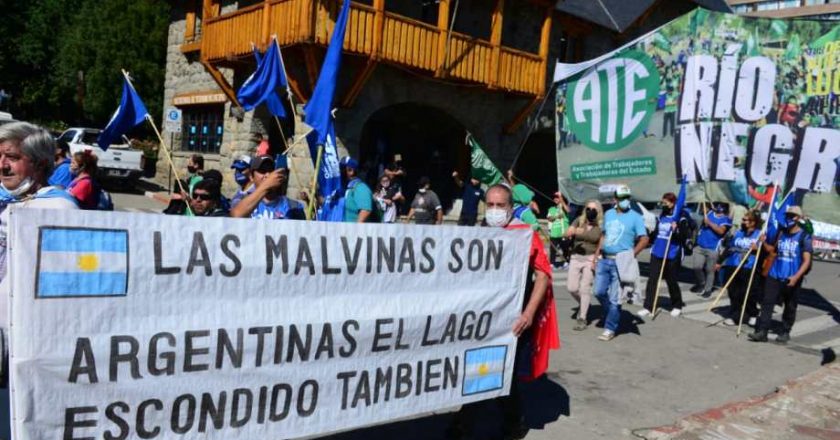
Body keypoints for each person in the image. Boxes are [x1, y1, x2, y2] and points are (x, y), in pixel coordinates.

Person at [447, 184, 558, 440]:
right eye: (491, 205)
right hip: (482, 319)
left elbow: (543, 276)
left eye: (501, 206)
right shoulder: (480, 233)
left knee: (500, 373)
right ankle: (481, 421)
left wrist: (528, 314)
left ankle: (498, 422)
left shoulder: (524, 234)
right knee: (482, 368)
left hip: (514, 319)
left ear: (511, 207)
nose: (495, 210)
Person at [0, 122, 79, 284]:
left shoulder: (59, 208)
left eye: (12, 157)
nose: (2, 165)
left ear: (40, 164)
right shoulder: (3, 197)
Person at [593, 185, 649, 341]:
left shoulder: (636, 217)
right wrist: (597, 255)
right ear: (615, 199)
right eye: (622, 198)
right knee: (598, 291)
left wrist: (632, 254)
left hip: (621, 262)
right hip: (605, 259)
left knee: (615, 298)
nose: (625, 201)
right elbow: (603, 236)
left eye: (627, 198)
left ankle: (610, 327)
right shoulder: (609, 214)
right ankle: (608, 311)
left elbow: (644, 239)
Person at [749, 206, 812, 344]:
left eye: (793, 216)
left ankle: (785, 330)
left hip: (792, 277)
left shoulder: (804, 236)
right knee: (767, 302)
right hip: (775, 274)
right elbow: (773, 250)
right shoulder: (781, 233)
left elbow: (807, 261)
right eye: (788, 215)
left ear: (799, 218)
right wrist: (763, 241)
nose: (790, 218)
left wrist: (796, 277)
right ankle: (762, 331)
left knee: (790, 305)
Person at [638, 190, 687, 318]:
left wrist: (676, 230)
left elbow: (683, 237)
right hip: (657, 251)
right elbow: (656, 232)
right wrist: (648, 238)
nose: (663, 205)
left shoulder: (681, 218)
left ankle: (677, 305)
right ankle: (648, 306)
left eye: (665, 203)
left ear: (672, 203)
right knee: (652, 279)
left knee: (671, 280)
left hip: (672, 252)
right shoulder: (662, 216)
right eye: (662, 202)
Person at [715, 209, 762, 326]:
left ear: (753, 222)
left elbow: (765, 253)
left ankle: (752, 313)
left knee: (747, 293)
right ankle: (734, 315)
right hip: (733, 264)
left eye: (746, 220)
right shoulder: (738, 233)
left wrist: (758, 249)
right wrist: (719, 261)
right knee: (733, 292)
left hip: (748, 267)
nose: (743, 222)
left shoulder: (759, 235)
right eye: (743, 219)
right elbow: (729, 248)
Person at [229, 155, 305, 220]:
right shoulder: (242, 200)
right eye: (262, 171)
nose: (268, 175)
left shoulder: (293, 206)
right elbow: (235, 216)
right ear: (251, 177)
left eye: (271, 170)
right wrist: (266, 185)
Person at [566, 199, 603, 330]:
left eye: (593, 209)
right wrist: (573, 231)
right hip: (576, 257)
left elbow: (600, 244)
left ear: (598, 211)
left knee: (585, 288)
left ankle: (582, 317)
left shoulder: (601, 225)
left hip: (590, 257)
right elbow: (566, 233)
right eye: (588, 209)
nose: (590, 211)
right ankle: (584, 304)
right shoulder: (579, 220)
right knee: (572, 288)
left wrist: (595, 260)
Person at [692, 202, 732, 296]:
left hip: (713, 248)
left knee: (710, 270)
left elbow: (721, 231)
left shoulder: (726, 220)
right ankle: (701, 283)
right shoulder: (709, 213)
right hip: (700, 245)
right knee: (697, 267)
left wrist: (709, 223)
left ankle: (708, 289)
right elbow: (704, 206)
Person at [340, 156, 373, 223]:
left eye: (342, 169)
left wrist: (355, 231)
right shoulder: (348, 189)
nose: (340, 172)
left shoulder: (361, 188)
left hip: (354, 232)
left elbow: (365, 211)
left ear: (351, 171)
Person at [547, 192, 571, 268]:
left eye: (557, 197)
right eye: (554, 197)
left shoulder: (564, 207)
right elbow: (549, 218)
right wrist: (557, 216)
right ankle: (551, 263)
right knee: (553, 249)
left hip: (563, 233)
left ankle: (566, 262)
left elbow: (568, 211)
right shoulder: (551, 209)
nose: (555, 199)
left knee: (565, 248)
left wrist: (562, 200)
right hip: (554, 233)